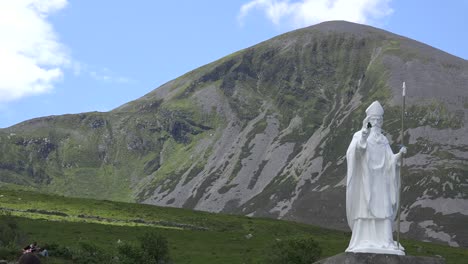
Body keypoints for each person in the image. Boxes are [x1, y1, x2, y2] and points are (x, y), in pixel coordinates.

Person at [345, 101, 407, 255]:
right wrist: (364, 139)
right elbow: (354, 153)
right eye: (374, 120)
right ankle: (364, 239)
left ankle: (385, 240)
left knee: (384, 209)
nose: (377, 123)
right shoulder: (359, 135)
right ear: (368, 121)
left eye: (380, 120)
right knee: (366, 209)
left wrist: (399, 156)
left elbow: (389, 160)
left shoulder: (384, 140)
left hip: (381, 181)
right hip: (367, 180)